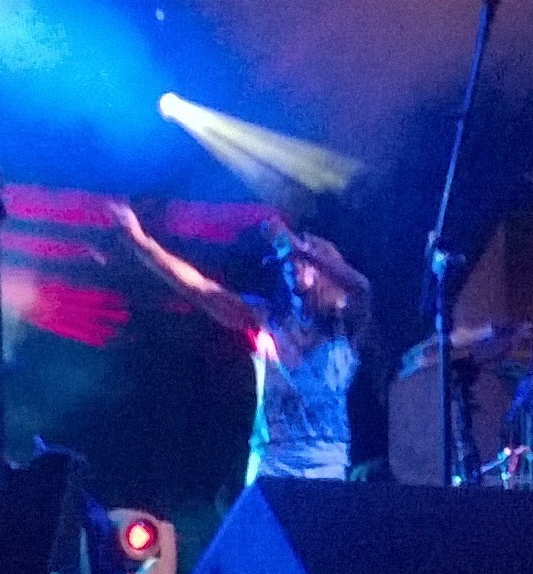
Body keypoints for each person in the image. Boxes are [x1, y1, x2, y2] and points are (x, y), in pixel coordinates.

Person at [109, 202, 370, 486]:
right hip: (273, 460)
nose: (291, 265)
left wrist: (299, 247)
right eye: (286, 261)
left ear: (324, 269)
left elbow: (361, 287)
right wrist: (142, 243)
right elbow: (202, 288)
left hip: (328, 462)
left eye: (299, 260)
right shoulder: (266, 319)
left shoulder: (344, 325)